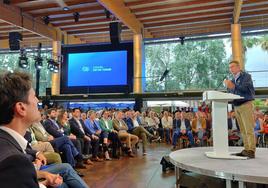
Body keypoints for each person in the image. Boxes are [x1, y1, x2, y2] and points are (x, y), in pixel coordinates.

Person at [224, 60, 255, 158]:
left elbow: (244, 89)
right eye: (230, 67)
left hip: (245, 105)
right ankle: (246, 149)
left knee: (248, 128)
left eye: (233, 66)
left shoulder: (246, 76)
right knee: (242, 129)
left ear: (238, 67)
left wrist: (232, 86)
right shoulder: (232, 80)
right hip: (236, 106)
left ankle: (251, 150)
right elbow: (231, 93)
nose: (231, 69)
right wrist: (228, 87)